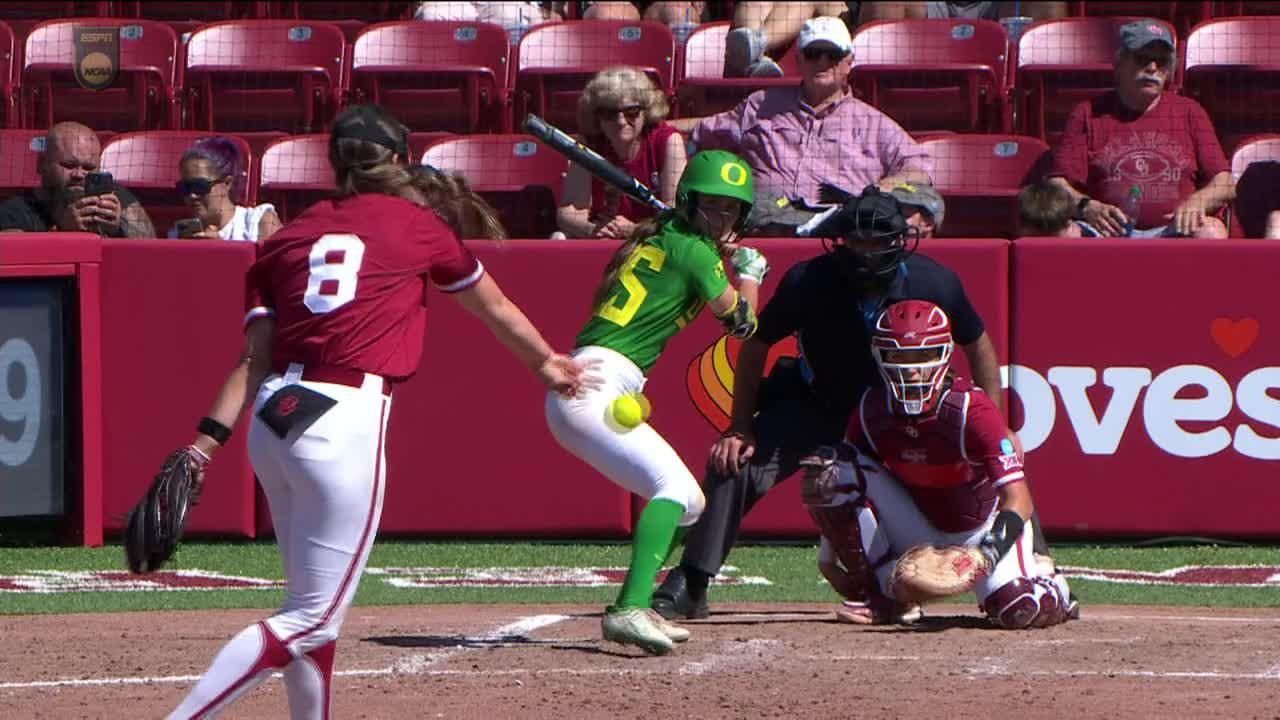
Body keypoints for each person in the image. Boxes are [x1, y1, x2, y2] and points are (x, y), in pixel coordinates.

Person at [164, 104, 592, 719]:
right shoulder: (416, 225)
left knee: (315, 617)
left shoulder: (284, 236)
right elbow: (494, 308)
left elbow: (253, 358)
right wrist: (547, 364)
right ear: (397, 160)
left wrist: (202, 445)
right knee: (309, 619)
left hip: (273, 418)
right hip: (344, 416)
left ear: (334, 163)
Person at [653, 186, 1015, 620]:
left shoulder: (934, 281)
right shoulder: (809, 280)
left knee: (999, 469)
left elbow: (978, 345)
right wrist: (739, 426)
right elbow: (755, 344)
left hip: (901, 417)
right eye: (855, 240)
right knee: (735, 462)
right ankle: (691, 580)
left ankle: (907, 584)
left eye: (877, 240)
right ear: (838, 240)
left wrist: (994, 419)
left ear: (900, 241)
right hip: (818, 405)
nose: (865, 251)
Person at [546, 150, 769, 655]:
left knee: (689, 501)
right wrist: (751, 276)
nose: (723, 217)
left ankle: (637, 603)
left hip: (595, 386)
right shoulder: (693, 253)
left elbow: (691, 254)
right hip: (596, 387)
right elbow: (743, 326)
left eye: (732, 210)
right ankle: (627, 609)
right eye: (712, 206)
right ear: (689, 202)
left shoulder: (668, 237)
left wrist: (714, 255)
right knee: (673, 489)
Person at [807, 299, 1077, 629]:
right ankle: (882, 597)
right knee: (828, 469)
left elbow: (1018, 499)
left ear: (945, 355)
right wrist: (828, 558)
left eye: (922, 356)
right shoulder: (870, 410)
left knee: (1018, 608)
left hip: (981, 528)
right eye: (900, 357)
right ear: (880, 356)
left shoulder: (972, 410)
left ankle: (1056, 589)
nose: (913, 369)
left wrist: (985, 554)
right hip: (918, 520)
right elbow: (842, 482)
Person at [671, 17, 933, 236]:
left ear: (849, 62)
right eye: (813, 54)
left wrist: (881, 188)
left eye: (832, 55)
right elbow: (699, 131)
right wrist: (655, 122)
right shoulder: (761, 105)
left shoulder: (874, 123)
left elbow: (919, 167)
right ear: (799, 60)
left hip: (840, 227)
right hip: (766, 224)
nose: (821, 62)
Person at [1048, 20, 1235, 239]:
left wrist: (1198, 202)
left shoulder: (1190, 112)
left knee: (1211, 232)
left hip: (1174, 230)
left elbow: (1225, 183)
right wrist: (1088, 207)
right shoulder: (1088, 112)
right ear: (1119, 62)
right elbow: (1056, 184)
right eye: (1142, 58)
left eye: (1162, 61)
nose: (1153, 68)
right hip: (1105, 231)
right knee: (1065, 234)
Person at [557, 66, 687, 239]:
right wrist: (592, 229)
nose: (620, 121)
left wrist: (635, 230)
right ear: (598, 117)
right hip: (602, 239)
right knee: (559, 236)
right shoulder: (588, 146)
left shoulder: (668, 142)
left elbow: (676, 214)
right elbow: (570, 211)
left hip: (655, 240)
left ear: (645, 112)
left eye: (631, 112)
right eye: (609, 113)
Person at [0, 121, 155, 237]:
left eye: (88, 168)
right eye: (69, 165)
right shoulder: (14, 213)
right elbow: (15, 265)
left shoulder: (116, 199)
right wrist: (62, 232)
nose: (79, 174)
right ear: (42, 164)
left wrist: (119, 229)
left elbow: (150, 250)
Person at [169, 136, 282, 242]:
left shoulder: (258, 222)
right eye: (185, 187)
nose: (192, 195)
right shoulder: (181, 232)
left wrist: (223, 251)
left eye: (200, 186)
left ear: (227, 183)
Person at [1017, 180, 1083, 237]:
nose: (1044, 243)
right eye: (1036, 237)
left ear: (1070, 226)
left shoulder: (1089, 235)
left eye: (1053, 238)